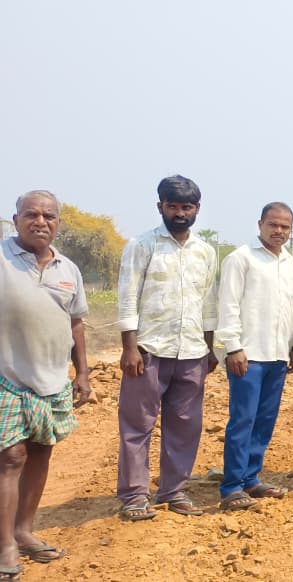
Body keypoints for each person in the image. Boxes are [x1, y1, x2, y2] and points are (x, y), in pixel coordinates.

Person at [0, 191, 93, 576]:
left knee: (41, 452)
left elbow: (76, 324)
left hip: (53, 380)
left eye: (49, 216)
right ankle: (5, 545)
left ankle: (24, 531)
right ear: (16, 219)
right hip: (7, 377)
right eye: (32, 214)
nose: (40, 222)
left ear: (58, 223)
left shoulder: (67, 269)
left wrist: (82, 373)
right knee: (10, 458)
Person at [116, 175, 219, 520]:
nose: (179, 213)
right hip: (148, 349)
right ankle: (134, 495)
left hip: (191, 351)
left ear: (197, 209)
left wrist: (210, 348)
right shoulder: (141, 245)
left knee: (186, 425)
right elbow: (127, 298)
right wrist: (129, 348)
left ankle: (173, 491)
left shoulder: (205, 251)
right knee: (137, 425)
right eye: (172, 206)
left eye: (186, 207)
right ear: (159, 206)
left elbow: (208, 303)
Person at [214, 202, 293, 511]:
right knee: (243, 419)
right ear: (260, 224)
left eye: (285, 227)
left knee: (265, 420)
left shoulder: (289, 262)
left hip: (277, 355)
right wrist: (233, 347)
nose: (278, 231)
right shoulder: (241, 259)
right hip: (247, 355)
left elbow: (291, 306)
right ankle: (232, 486)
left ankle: (251, 478)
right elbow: (228, 305)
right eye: (273, 224)